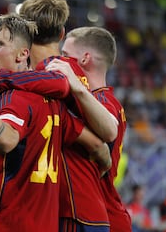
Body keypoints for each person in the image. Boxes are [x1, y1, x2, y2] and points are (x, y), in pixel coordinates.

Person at [0, 14, 110, 231]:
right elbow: (100, 147)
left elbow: (6, 139)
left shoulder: (13, 97)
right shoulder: (54, 100)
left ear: (23, 53)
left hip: (7, 224)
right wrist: (104, 167)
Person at [49, 26, 132, 231]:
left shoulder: (101, 102)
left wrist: (76, 86)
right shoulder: (106, 101)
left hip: (95, 217)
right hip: (106, 214)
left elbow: (109, 127)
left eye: (65, 55)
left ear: (85, 59)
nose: (60, 60)